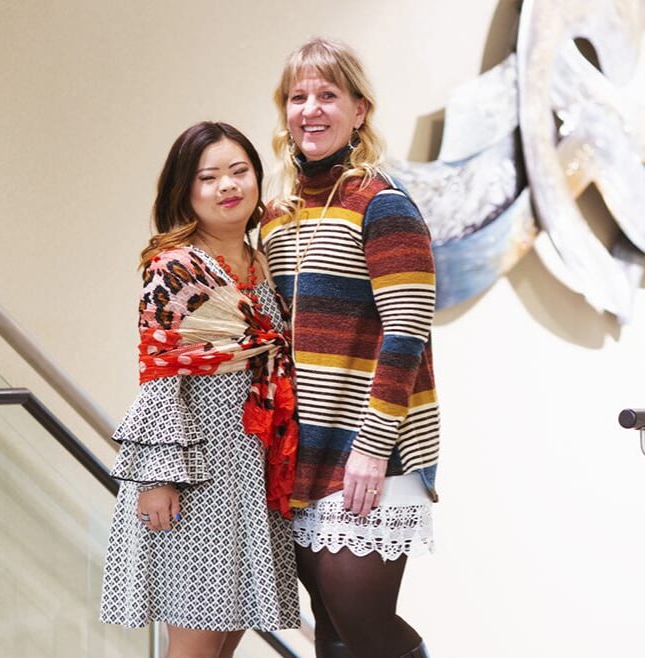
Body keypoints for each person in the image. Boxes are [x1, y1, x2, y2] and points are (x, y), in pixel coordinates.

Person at [262, 38, 440, 658]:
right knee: (332, 622)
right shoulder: (278, 217)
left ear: (359, 110)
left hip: (372, 443)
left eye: (328, 95)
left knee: (361, 615)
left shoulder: (382, 204)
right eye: (298, 96)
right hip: (303, 449)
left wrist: (372, 445)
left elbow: (408, 328)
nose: (311, 109)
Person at [100, 121, 300, 658]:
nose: (227, 186)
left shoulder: (261, 263)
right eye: (208, 177)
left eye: (239, 172)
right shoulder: (177, 266)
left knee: (224, 644)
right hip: (194, 478)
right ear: (185, 190)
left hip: (251, 474)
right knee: (192, 650)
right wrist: (157, 478)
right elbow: (160, 378)